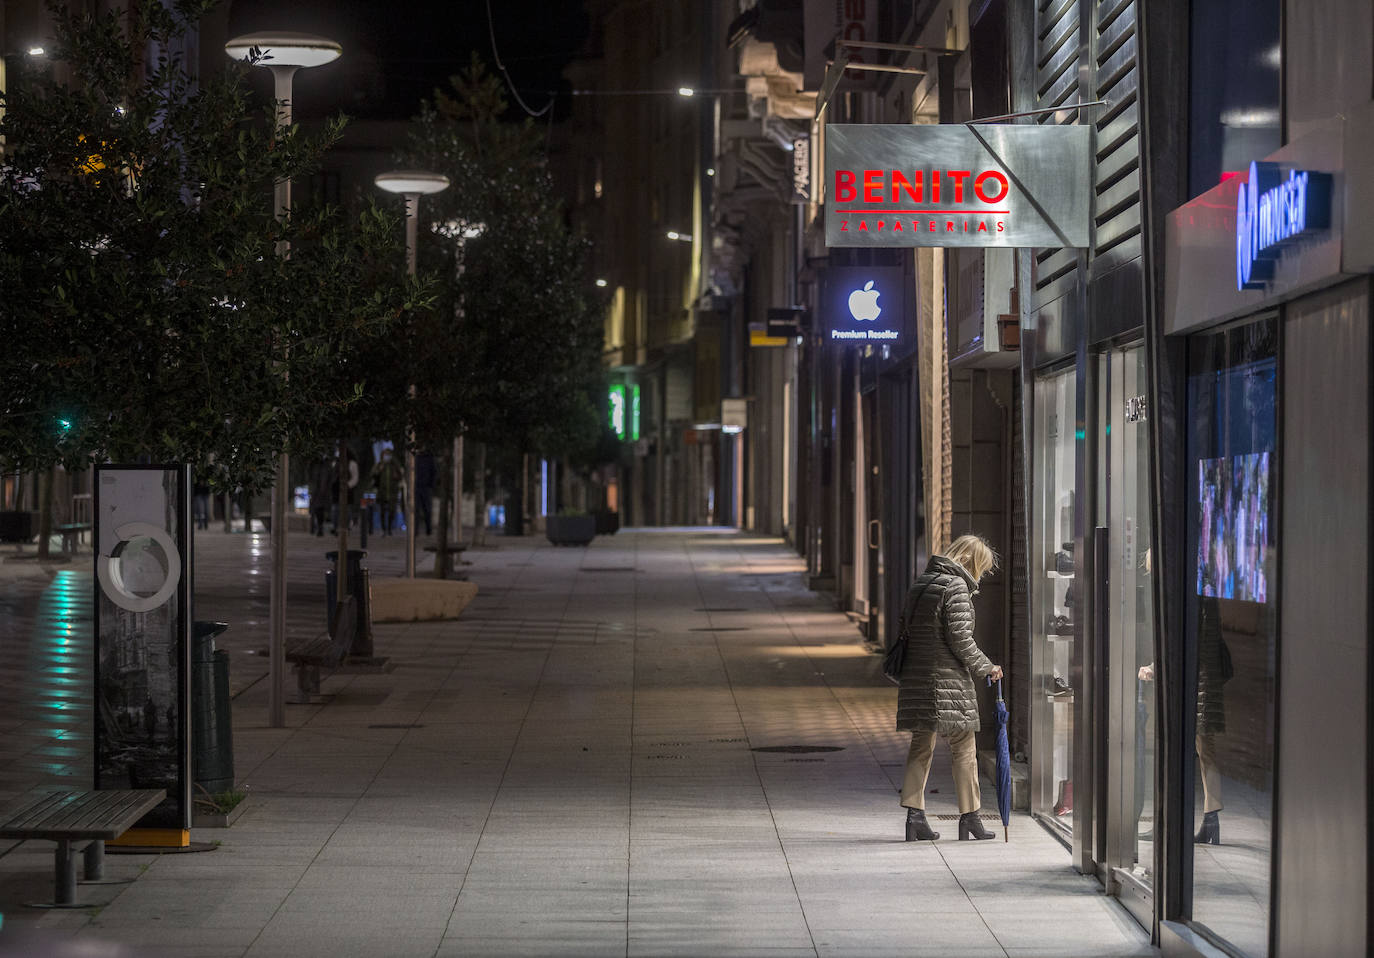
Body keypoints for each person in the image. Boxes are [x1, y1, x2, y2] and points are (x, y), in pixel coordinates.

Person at [895, 533, 1004, 842]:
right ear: (970, 560)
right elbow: (960, 639)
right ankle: (971, 817)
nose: (979, 574)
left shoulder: (922, 584)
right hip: (946, 682)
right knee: (964, 747)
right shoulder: (954, 586)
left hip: (918, 678)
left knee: (921, 746)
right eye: (981, 566)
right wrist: (988, 667)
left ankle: (914, 816)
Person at [372, 448, 403, 536]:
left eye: (388, 454)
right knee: (382, 511)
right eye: (385, 454)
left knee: (392, 511)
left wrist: (397, 475)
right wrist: (379, 470)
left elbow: (401, 474)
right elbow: (373, 474)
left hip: (393, 492)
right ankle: (383, 529)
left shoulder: (395, 465)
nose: (387, 456)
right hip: (382, 492)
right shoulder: (380, 464)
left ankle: (389, 528)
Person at [309, 454, 333, 537]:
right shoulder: (318, 465)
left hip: (321, 492)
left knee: (319, 509)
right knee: (317, 510)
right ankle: (317, 528)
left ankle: (319, 528)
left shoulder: (325, 466)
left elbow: (325, 479)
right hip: (318, 491)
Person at [414, 451, 437, 537]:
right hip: (416, 487)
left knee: (427, 510)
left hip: (426, 487)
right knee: (416, 510)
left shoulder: (429, 458)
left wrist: (431, 485)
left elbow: (434, 472)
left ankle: (428, 530)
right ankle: (415, 531)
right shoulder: (415, 457)